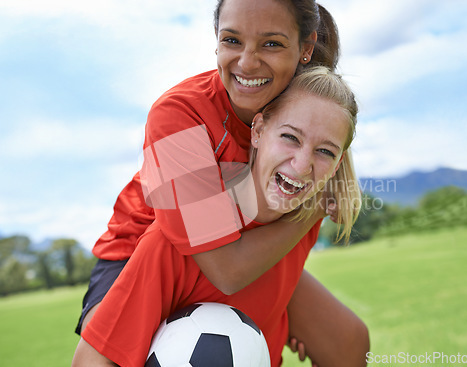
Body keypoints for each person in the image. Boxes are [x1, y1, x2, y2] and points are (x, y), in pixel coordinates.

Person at [74, 0, 369, 365]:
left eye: (272, 44)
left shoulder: (311, 122)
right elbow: (225, 268)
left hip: (250, 238)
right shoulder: (180, 113)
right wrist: (313, 210)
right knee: (120, 349)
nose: (247, 63)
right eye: (232, 40)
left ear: (304, 51)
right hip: (146, 245)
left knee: (348, 340)